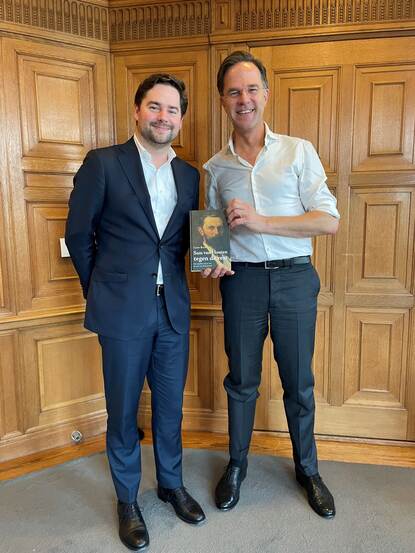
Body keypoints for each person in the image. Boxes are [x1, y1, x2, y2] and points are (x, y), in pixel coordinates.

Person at [65, 73, 205, 551]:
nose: (163, 117)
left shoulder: (190, 175)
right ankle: (127, 499)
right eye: (155, 107)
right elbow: (80, 236)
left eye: (172, 110)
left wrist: (217, 257)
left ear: (181, 119)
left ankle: (170, 484)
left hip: (173, 313)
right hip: (121, 312)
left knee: (170, 408)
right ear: (137, 110)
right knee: (123, 412)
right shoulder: (103, 163)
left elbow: (186, 243)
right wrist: (101, 290)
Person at [203, 51, 340, 519]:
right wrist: (214, 260)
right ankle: (237, 466)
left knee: (299, 382)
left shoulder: (298, 151)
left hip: (295, 278)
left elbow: (328, 221)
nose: (244, 99)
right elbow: (212, 230)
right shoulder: (214, 168)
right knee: (241, 381)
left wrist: (261, 222)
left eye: (251, 89)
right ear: (223, 100)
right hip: (240, 284)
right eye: (234, 91)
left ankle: (308, 470)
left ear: (265, 92)